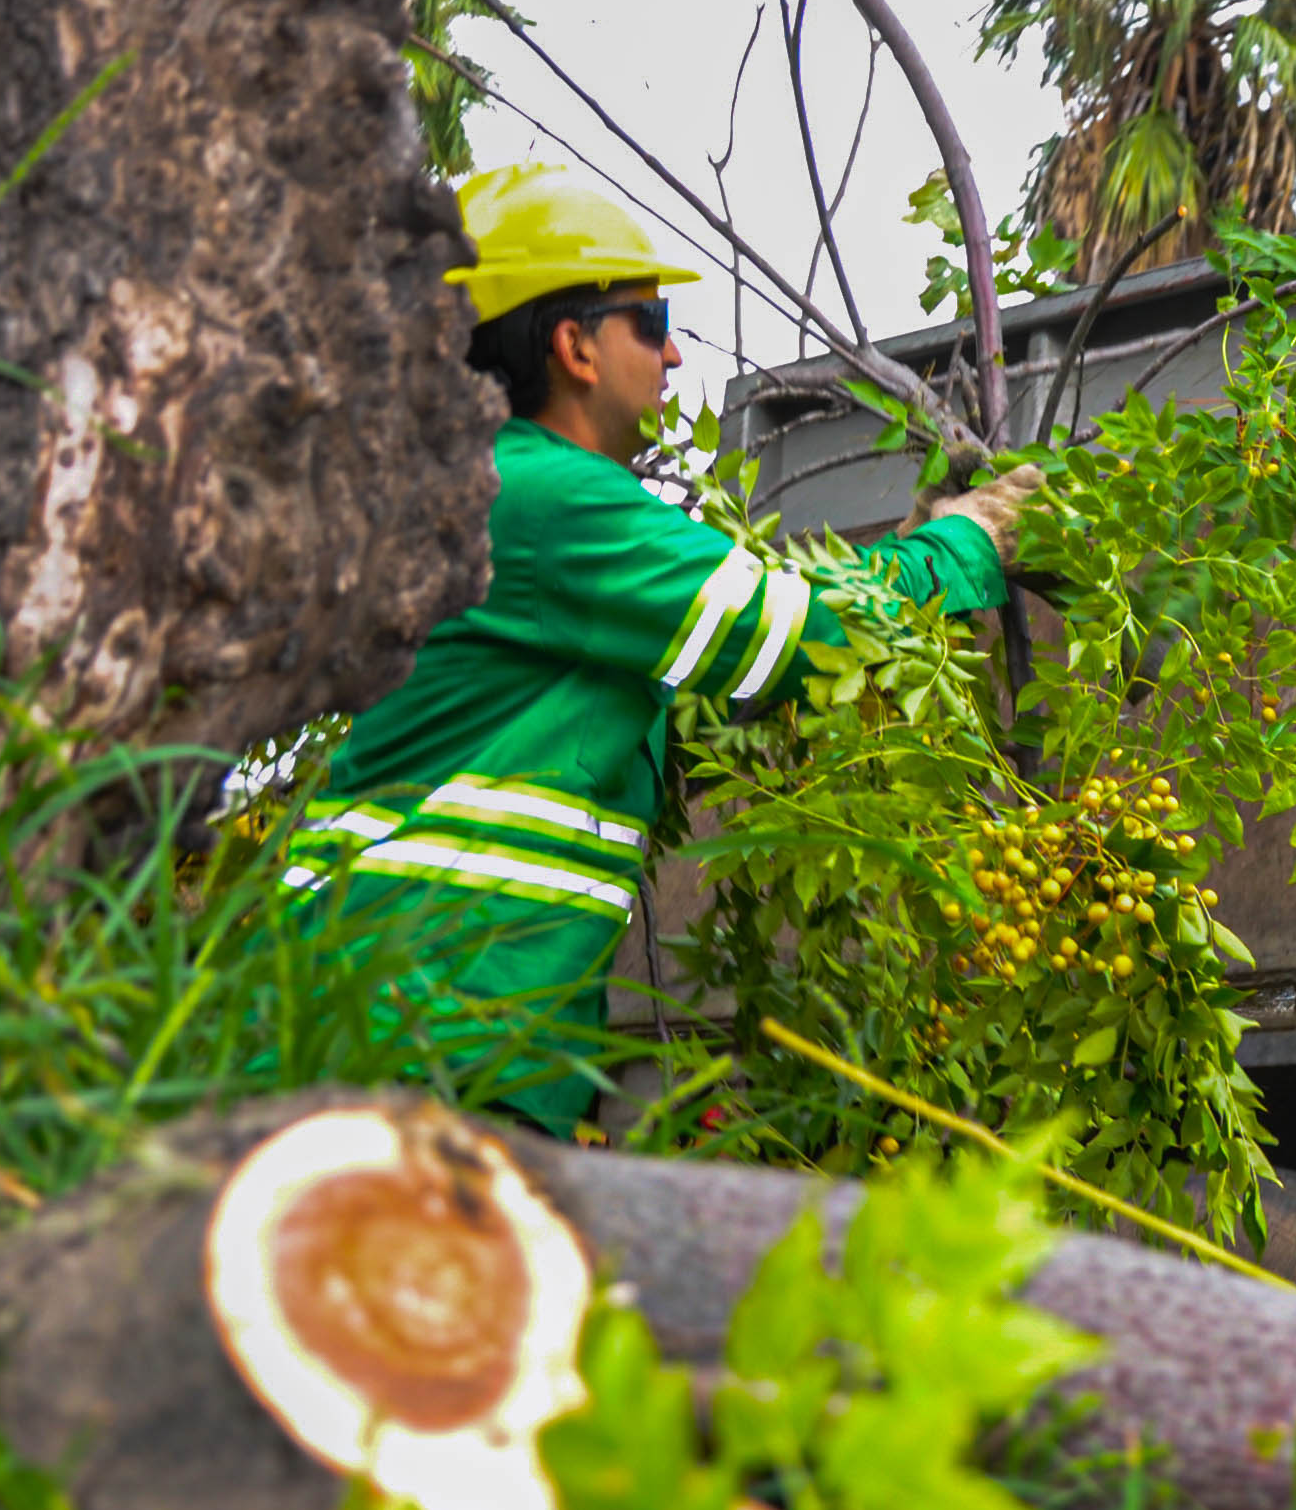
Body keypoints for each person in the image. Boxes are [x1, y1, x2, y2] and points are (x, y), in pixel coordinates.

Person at [291, 164, 1035, 1127]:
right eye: (652, 322)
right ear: (574, 346)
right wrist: (968, 543)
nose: (676, 357)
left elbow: (721, 672)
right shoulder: (542, 498)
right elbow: (804, 634)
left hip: (418, 1027)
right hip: (418, 1034)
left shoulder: (495, 496)